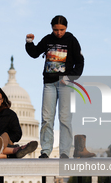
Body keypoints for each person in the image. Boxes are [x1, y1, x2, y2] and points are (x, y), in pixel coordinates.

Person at [25, 15, 84, 159]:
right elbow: (34, 53)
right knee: (47, 118)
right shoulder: (47, 39)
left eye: (62, 30)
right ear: (52, 28)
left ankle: (64, 152)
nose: (59, 33)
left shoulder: (71, 40)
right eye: (56, 30)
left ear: (66, 28)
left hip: (66, 84)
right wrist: (29, 41)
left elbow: (80, 62)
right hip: (49, 83)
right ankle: (45, 150)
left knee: (65, 119)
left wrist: (70, 77)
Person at [0, 87, 38, 158]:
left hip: (5, 143)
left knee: (4, 135)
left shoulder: (10, 114)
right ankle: (14, 151)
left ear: (2, 100)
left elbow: (17, 134)